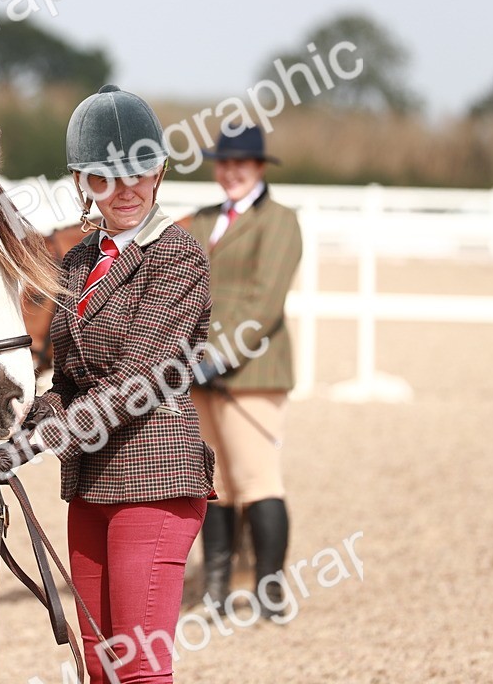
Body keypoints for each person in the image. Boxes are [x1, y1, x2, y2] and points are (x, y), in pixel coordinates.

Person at [0, 85, 216, 683]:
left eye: (138, 170)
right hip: (89, 488)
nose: (125, 188)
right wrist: (14, 425)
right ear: (84, 182)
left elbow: (137, 381)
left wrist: (38, 441)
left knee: (138, 669)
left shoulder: (178, 257)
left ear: (159, 169)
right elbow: (70, 380)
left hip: (155, 480)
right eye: (105, 176)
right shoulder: (79, 260)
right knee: (101, 670)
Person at [186, 125, 302, 622]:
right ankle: (215, 589)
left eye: (241, 164)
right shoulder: (201, 220)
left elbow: (265, 300)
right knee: (217, 486)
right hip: (196, 372)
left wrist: (219, 354)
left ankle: (269, 590)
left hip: (252, 371)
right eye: (224, 163)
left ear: (258, 167)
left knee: (257, 479)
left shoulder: (278, 221)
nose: (230, 172)